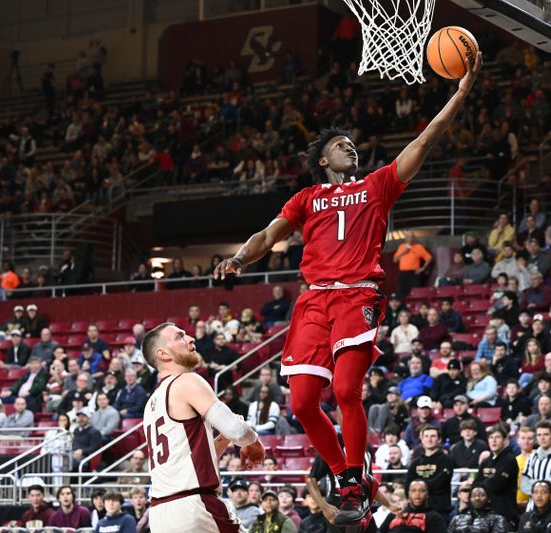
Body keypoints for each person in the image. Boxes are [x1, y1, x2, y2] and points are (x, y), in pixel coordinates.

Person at [214, 52, 482, 525]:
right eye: (342, 145)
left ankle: (356, 476)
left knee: (345, 390)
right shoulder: (306, 198)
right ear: (323, 159)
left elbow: (424, 140)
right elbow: (268, 235)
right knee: (299, 402)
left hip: (358, 292)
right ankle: (346, 476)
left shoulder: (377, 186)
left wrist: (458, 94)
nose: (350, 148)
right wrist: (238, 257)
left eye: (352, 144)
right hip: (314, 298)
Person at [141, 322, 264, 532]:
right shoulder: (186, 381)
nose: (191, 339)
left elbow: (190, 461)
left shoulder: (151, 404)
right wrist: (254, 444)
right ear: (163, 354)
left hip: (162, 514)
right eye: (180, 336)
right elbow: (237, 430)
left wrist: (224, 438)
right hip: (194, 507)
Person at [521, 421, 551, 510]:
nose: (542, 438)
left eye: (546, 435)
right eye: (539, 435)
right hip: (532, 509)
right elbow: (523, 484)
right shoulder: (532, 457)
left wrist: (533, 483)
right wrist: (540, 486)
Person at [480, 424, 519, 528]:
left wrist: (482, 484)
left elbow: (497, 484)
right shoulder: (485, 462)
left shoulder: (510, 460)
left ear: (505, 440)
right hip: (485, 512)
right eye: (491, 437)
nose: (494, 441)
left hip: (504, 513)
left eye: (497, 437)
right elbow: (476, 484)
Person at [379, 480, 446, 532]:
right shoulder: (395, 513)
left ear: (427, 494)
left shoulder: (434, 518)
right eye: (413, 490)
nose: (417, 494)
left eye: (422, 491)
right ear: (408, 493)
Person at [394, 231, 434, 298]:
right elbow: (395, 259)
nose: (410, 239)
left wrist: (422, 268)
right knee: (401, 293)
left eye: (412, 237)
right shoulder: (401, 247)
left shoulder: (419, 247)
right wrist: (404, 251)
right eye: (408, 237)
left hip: (414, 274)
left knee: (415, 293)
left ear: (414, 238)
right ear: (405, 238)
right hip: (403, 274)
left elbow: (429, 258)